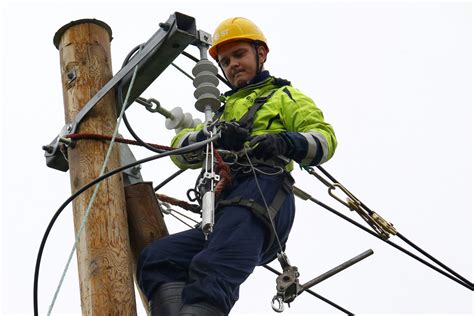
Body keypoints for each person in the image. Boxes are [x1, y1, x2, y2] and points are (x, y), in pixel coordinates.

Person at [137, 17, 337, 315]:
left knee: (214, 266)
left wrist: (285, 141)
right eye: (226, 60)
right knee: (158, 257)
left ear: (261, 54)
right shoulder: (219, 111)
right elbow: (179, 151)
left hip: (265, 196)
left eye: (239, 54)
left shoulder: (284, 97)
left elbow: (324, 140)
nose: (232, 65)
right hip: (226, 206)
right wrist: (211, 136)